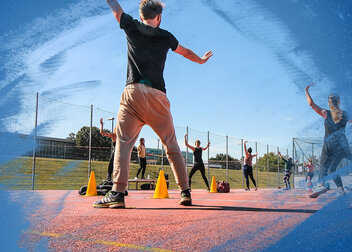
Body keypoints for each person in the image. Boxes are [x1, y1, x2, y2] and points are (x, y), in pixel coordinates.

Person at [94, 0, 213, 208]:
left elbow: (117, 11)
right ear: (159, 17)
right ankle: (185, 192)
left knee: (123, 143)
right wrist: (201, 61)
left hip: (133, 94)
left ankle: (117, 193)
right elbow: (185, 52)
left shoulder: (132, 26)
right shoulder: (166, 36)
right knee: (172, 145)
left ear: (141, 17)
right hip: (158, 96)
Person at [305, 83, 352, 195]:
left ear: (329, 103)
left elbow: (311, 104)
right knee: (332, 170)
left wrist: (306, 90)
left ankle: (321, 185)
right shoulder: (345, 114)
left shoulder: (326, 113)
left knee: (323, 166)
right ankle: (341, 191)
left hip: (329, 145)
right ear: (339, 102)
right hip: (342, 146)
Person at [99, 118, 116, 182]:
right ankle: (109, 176)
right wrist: (101, 125)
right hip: (116, 151)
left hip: (121, 151)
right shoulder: (114, 135)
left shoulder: (122, 136)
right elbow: (102, 132)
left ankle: (116, 176)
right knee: (111, 162)